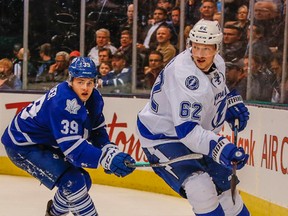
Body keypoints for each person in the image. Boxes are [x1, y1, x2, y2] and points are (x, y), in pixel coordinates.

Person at [136, 19, 250, 216]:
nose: (199, 54)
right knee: (200, 188)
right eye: (195, 47)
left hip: (197, 133)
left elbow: (215, 89)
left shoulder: (218, 63)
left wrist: (227, 102)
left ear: (217, 48)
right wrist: (222, 147)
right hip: (163, 137)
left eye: (206, 49)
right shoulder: (186, 77)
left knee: (226, 190)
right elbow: (187, 132)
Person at [1, 57, 135, 216]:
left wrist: (111, 152)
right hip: (22, 145)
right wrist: (107, 159)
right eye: (80, 82)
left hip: (44, 141)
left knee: (83, 181)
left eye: (90, 82)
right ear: (71, 81)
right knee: (74, 182)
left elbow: (97, 131)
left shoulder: (94, 99)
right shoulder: (64, 103)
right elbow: (74, 151)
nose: (85, 88)